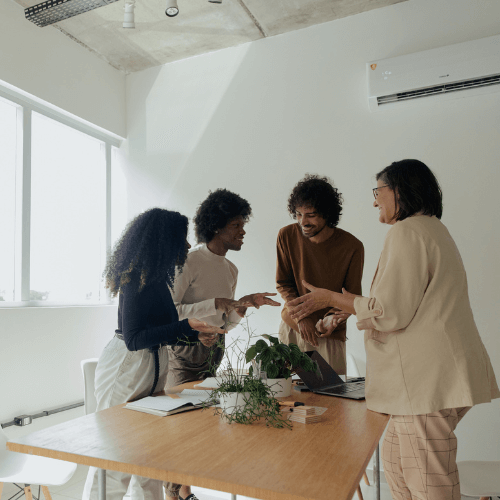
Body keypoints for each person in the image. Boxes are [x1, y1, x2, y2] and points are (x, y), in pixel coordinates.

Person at [287, 160, 500, 500]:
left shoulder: (407, 232)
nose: (374, 201)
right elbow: (407, 304)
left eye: (378, 192)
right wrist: (351, 304)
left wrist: (332, 300)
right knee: (398, 470)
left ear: (398, 191)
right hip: (428, 382)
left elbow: (392, 312)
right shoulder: (431, 229)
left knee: (427, 485)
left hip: (425, 384)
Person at [82, 208, 226, 500]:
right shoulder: (135, 279)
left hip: (151, 367)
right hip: (128, 367)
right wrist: (186, 325)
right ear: (163, 240)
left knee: (149, 458)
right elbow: (135, 339)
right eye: (181, 238)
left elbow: (163, 329)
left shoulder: (159, 278)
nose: (187, 246)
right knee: (115, 461)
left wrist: (194, 334)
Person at [164, 189, 280, 500]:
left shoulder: (231, 270)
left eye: (243, 225)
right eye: (236, 226)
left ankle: (185, 490)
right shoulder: (190, 261)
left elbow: (224, 323)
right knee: (180, 426)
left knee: (201, 425)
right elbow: (168, 312)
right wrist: (214, 303)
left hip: (216, 351)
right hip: (184, 352)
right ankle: (174, 493)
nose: (243, 232)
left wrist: (240, 307)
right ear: (217, 227)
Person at [276, 174, 364, 375]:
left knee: (331, 400)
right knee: (287, 400)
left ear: (327, 213)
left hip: (329, 335)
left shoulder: (352, 246)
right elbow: (283, 283)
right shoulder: (286, 235)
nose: (303, 221)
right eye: (298, 214)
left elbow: (351, 296)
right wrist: (301, 318)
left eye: (311, 214)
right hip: (292, 327)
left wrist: (331, 320)